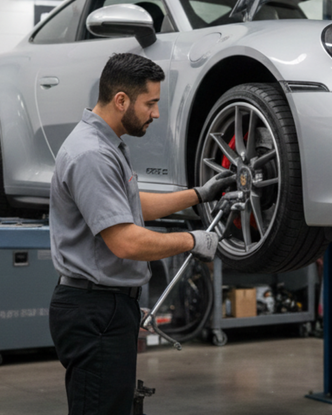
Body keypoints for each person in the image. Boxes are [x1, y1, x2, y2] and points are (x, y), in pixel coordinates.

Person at [48, 52, 235, 415]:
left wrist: (199, 194)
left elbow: (133, 206)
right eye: (150, 103)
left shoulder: (105, 145)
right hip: (95, 310)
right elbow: (126, 241)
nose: (156, 113)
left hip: (106, 305)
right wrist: (191, 241)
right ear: (121, 100)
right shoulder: (92, 155)